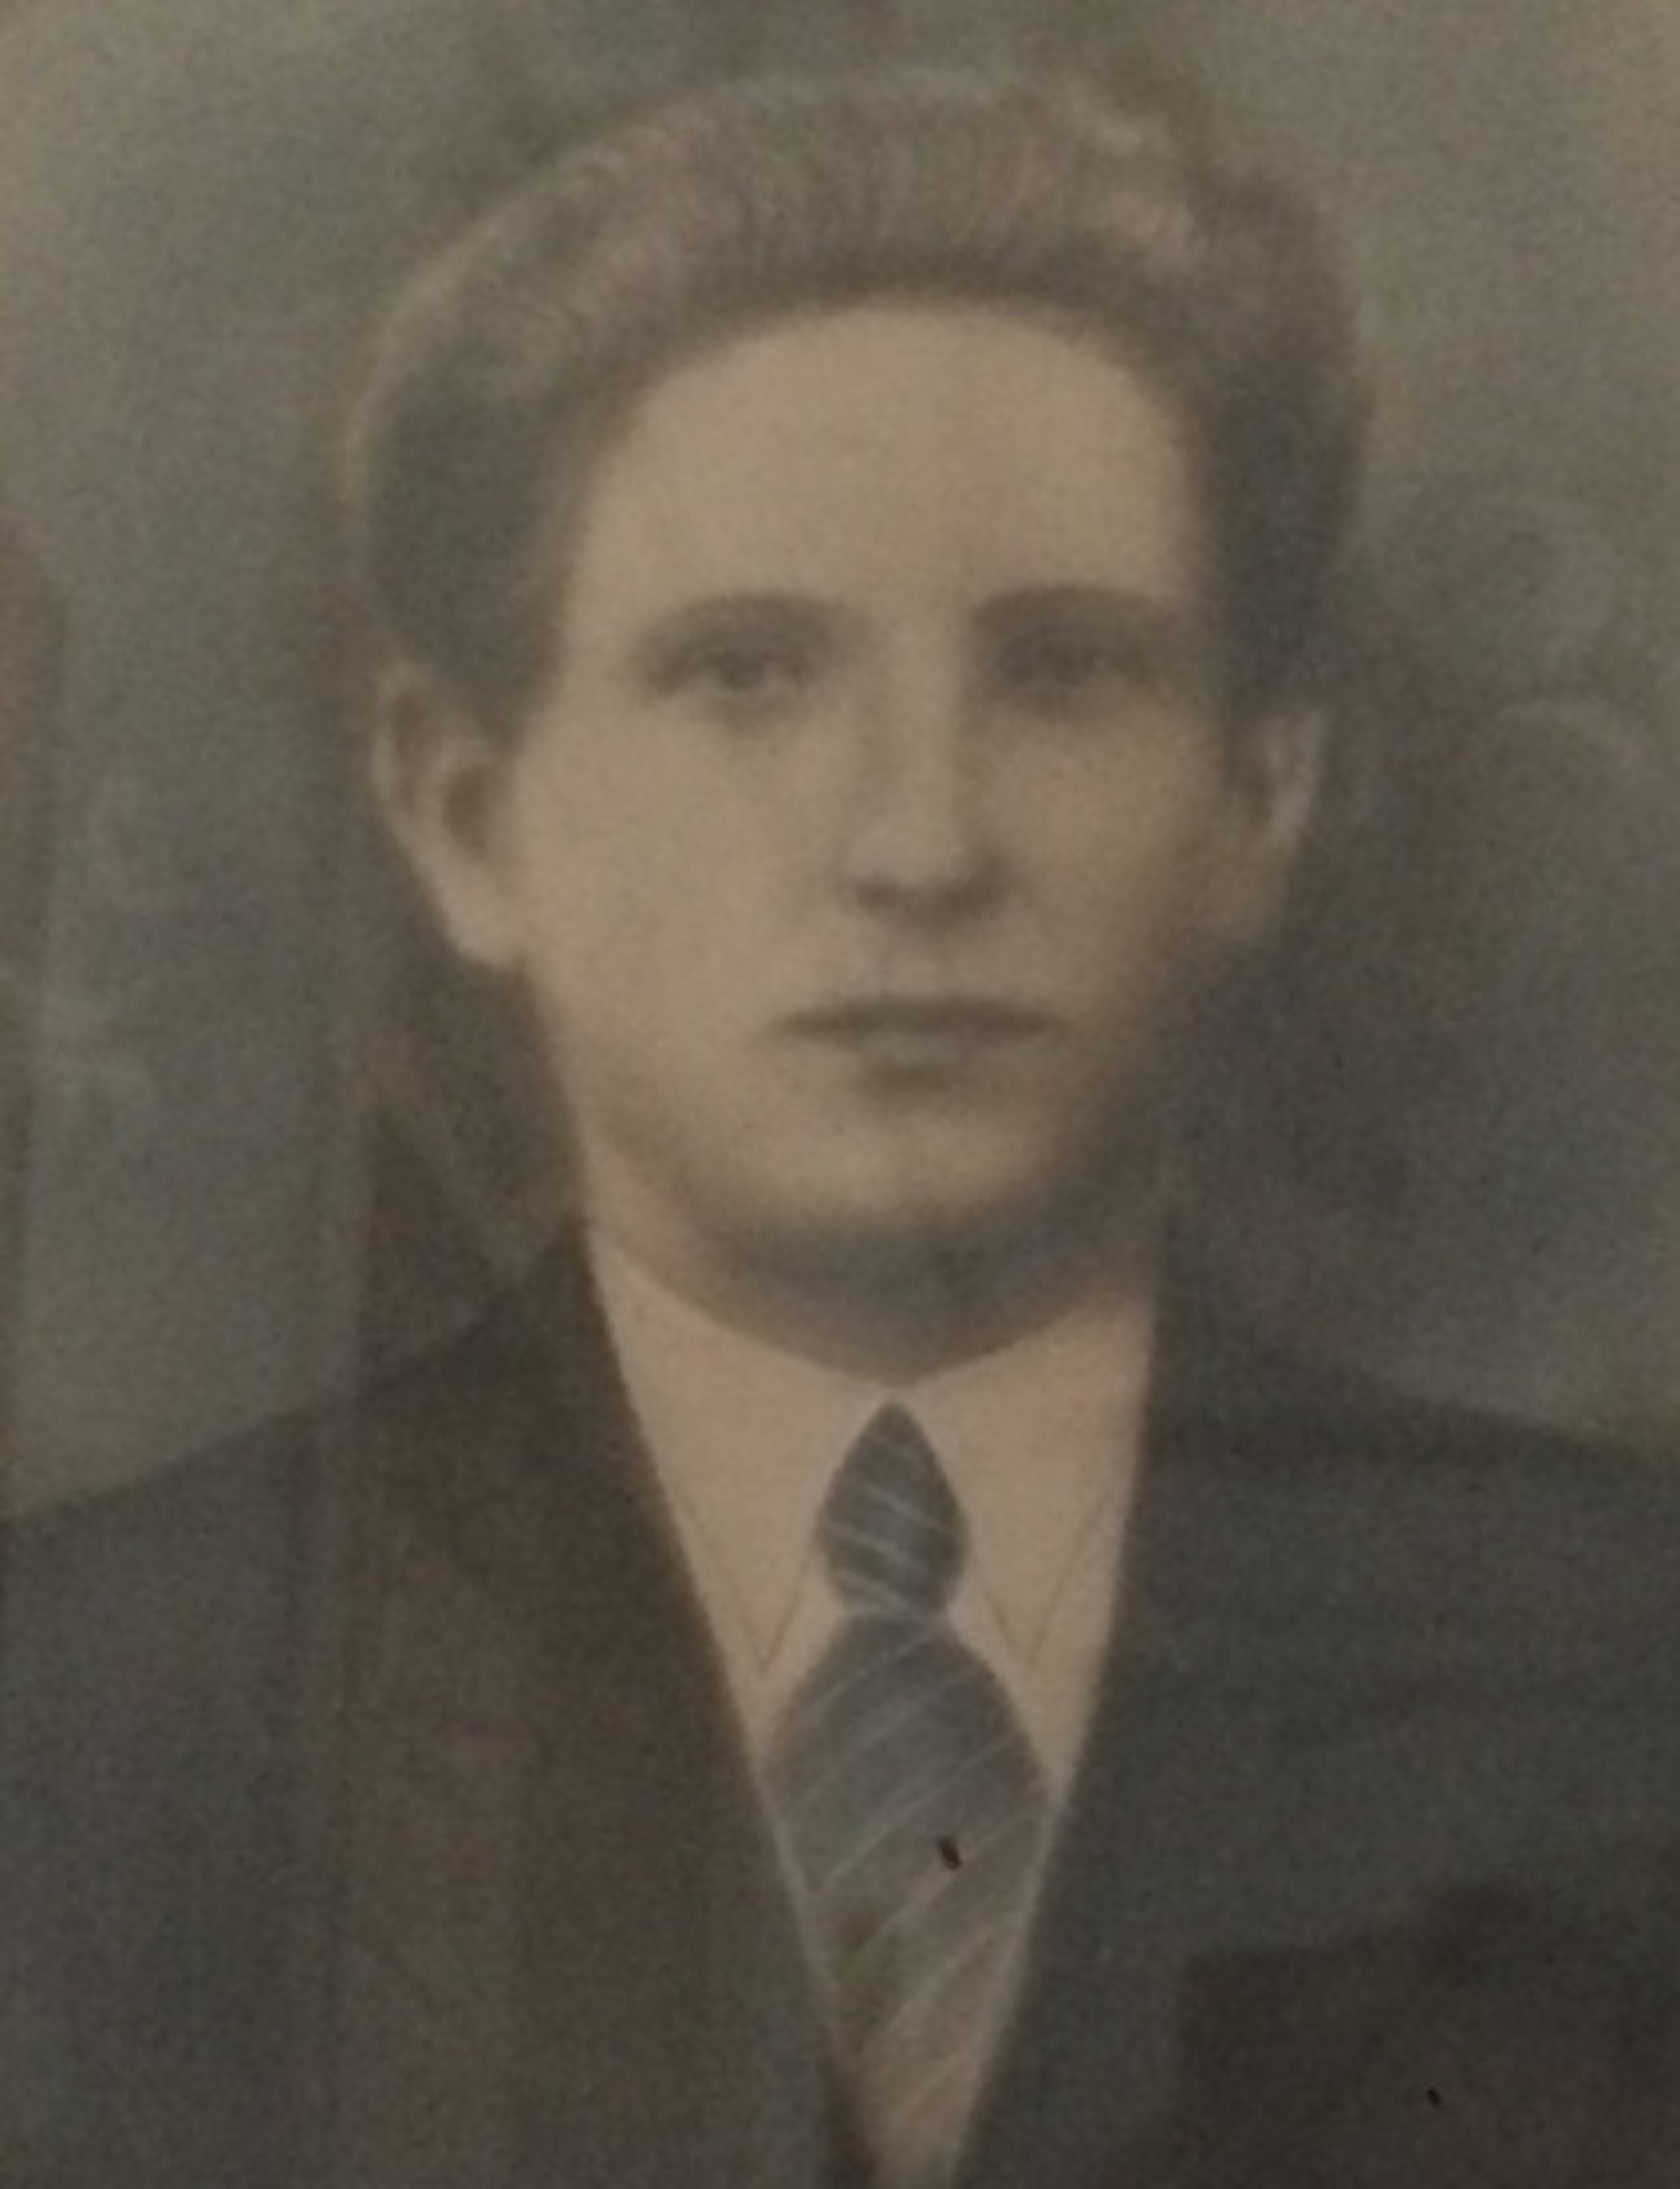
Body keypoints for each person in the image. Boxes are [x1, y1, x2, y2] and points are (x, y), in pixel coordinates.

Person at [5, 62, 1680, 2189]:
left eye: (1064, 673)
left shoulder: (1618, 1660)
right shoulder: (89, 1709)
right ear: (464, 809)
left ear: (1260, 794)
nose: (916, 846)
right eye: (745, 673)